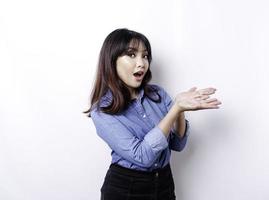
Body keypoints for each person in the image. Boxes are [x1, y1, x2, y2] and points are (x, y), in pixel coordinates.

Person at [83, 28, 221, 200]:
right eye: (132, 55)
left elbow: (178, 144)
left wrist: (180, 111)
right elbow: (143, 156)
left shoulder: (158, 94)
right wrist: (175, 109)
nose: (141, 63)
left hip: (164, 183)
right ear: (111, 60)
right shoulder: (102, 112)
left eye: (145, 56)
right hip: (127, 189)